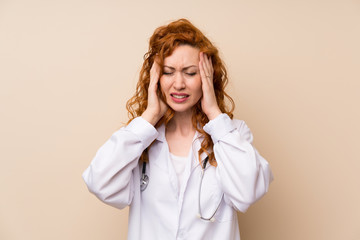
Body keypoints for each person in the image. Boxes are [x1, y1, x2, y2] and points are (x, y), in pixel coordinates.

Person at [82, 18, 273, 240]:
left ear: (207, 78)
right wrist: (150, 116)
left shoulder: (231, 134)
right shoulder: (141, 140)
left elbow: (248, 192)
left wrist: (213, 113)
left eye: (190, 73)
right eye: (168, 72)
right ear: (155, 77)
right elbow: (99, 182)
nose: (179, 83)